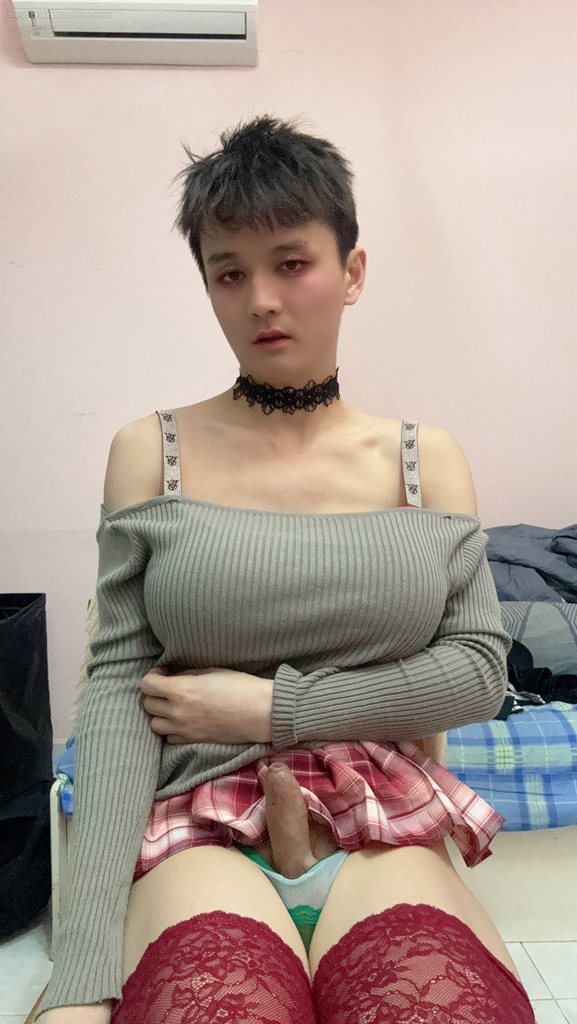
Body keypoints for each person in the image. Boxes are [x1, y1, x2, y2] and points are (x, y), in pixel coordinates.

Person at [36, 114, 536, 1023]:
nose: (261, 299)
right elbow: (115, 695)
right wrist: (79, 968)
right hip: (196, 824)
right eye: (229, 273)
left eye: (291, 263)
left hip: (380, 820)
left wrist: (273, 709)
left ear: (351, 272)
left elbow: (475, 672)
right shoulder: (152, 453)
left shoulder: (424, 460)